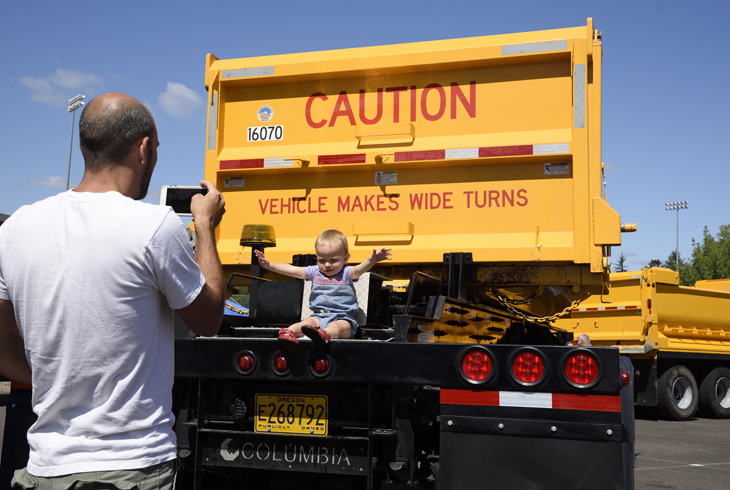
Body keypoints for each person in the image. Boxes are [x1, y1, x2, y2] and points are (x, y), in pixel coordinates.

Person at [0, 92, 226, 490]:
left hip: (41, 470)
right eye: (155, 148)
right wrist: (205, 225)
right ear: (143, 149)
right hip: (130, 469)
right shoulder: (156, 225)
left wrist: (59, 380)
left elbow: (0, 347)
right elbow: (208, 320)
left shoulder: (14, 229)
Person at [254, 229, 391, 347]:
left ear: (345, 258)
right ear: (316, 258)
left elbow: (360, 268)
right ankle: (288, 333)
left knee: (337, 327)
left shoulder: (347, 273)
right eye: (322, 260)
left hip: (343, 318)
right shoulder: (314, 272)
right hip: (319, 316)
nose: (327, 265)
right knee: (306, 322)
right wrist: (269, 265)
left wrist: (373, 259)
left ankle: (323, 335)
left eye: (333, 260)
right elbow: (292, 270)